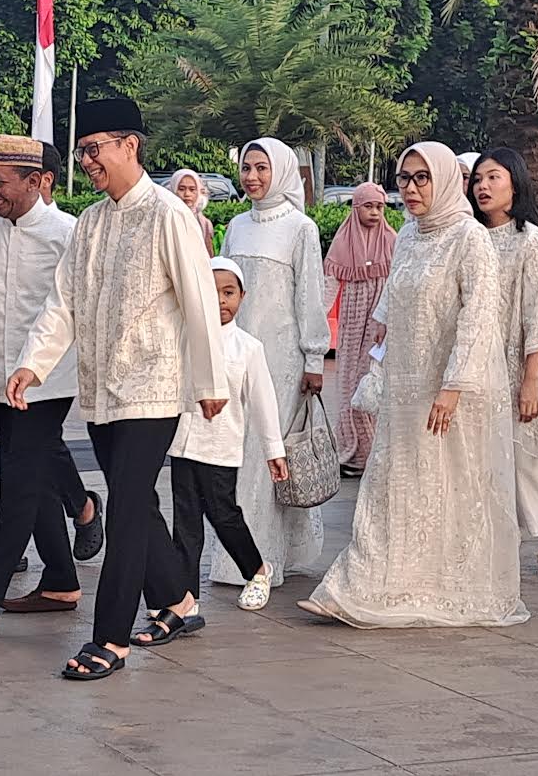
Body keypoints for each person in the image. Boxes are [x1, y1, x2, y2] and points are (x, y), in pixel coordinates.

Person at [8, 97, 228, 681]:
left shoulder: (168, 215)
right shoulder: (92, 222)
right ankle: (179, 601)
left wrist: (209, 379)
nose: (88, 161)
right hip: (102, 390)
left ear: (129, 145)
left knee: (127, 509)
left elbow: (200, 301)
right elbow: (64, 303)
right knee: (135, 501)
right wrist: (32, 363)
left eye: (95, 149)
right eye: (82, 151)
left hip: (154, 387)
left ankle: (110, 639)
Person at [300, 140, 527, 628]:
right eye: (404, 178)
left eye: (422, 178)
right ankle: (359, 584)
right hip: (405, 383)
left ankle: (436, 584)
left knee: (444, 489)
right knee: (392, 484)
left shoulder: (470, 238)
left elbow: (480, 317)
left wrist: (453, 387)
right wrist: (381, 326)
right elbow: (393, 292)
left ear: (446, 180)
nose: (410, 188)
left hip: (449, 391)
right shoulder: (408, 234)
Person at [0, 136, 100, 634]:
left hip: (49, 381)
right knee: (31, 479)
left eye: (0, 183)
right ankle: (59, 580)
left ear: (36, 182)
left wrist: (39, 366)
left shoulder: (67, 234)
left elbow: (73, 312)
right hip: (0, 377)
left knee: (18, 484)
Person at [215, 136, 332, 588]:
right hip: (237, 353)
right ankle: (237, 556)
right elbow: (224, 287)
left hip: (281, 357)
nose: (252, 177)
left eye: (262, 168)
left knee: (270, 454)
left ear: (280, 171)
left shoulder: (301, 228)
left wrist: (314, 357)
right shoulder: (237, 225)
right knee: (236, 451)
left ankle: (265, 559)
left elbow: (310, 296)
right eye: (247, 168)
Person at [470, 148, 538, 577]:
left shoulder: (529, 240)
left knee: (528, 458)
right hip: (476, 364)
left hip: (518, 363)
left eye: (493, 177)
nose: (482, 186)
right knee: (480, 459)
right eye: (477, 178)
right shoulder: (467, 236)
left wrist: (530, 379)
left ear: (514, 184)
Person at [168, 256, 287, 611]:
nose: (221, 300)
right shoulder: (184, 337)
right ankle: (185, 599)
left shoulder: (248, 348)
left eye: (229, 292)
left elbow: (263, 402)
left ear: (242, 296)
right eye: (213, 291)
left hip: (221, 446)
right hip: (182, 444)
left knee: (223, 515)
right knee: (185, 523)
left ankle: (257, 570)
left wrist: (273, 450)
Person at [323, 182, 396, 478]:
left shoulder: (393, 240)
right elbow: (328, 287)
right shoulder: (343, 242)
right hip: (353, 324)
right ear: (356, 208)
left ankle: (373, 452)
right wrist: (313, 322)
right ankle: (350, 451)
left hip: (381, 327)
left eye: (379, 207)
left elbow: (399, 285)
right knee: (348, 382)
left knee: (374, 382)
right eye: (368, 206)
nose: (375, 212)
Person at [165, 169, 216, 255]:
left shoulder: (205, 224)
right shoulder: (165, 219)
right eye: (181, 189)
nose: (187, 194)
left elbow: (209, 256)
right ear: (173, 190)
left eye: (192, 189)